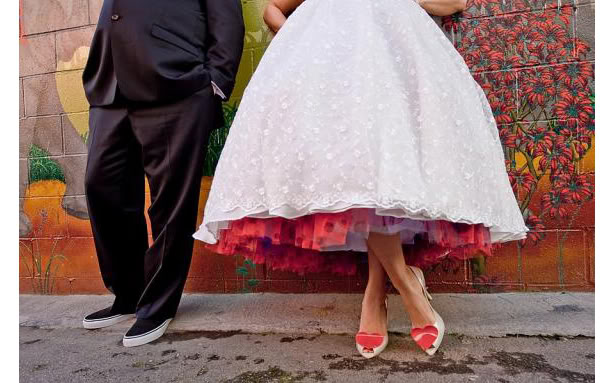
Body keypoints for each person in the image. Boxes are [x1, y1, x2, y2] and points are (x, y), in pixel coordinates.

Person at [194, 0, 528, 358]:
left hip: (393, 64)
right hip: (333, 74)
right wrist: (300, 37)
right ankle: (405, 285)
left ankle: (375, 296)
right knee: (358, 180)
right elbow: (273, 8)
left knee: (378, 179)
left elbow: (452, 3)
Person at [81, 0, 245, 347]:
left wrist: (216, 81)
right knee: (101, 187)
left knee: (170, 203)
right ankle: (129, 293)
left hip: (177, 84)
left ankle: (158, 305)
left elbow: (226, 15)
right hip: (111, 85)